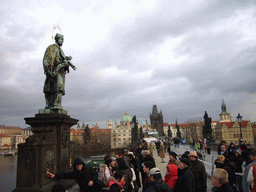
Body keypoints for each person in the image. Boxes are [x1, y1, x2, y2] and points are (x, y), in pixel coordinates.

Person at [43, 33, 75, 109]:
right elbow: (46, 59)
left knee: (59, 87)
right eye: (61, 39)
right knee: (50, 88)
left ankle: (56, 104)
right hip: (53, 70)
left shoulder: (61, 51)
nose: (62, 41)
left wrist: (66, 64)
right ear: (56, 39)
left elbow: (63, 63)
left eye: (63, 39)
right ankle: (49, 104)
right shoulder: (51, 48)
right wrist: (47, 69)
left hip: (60, 72)